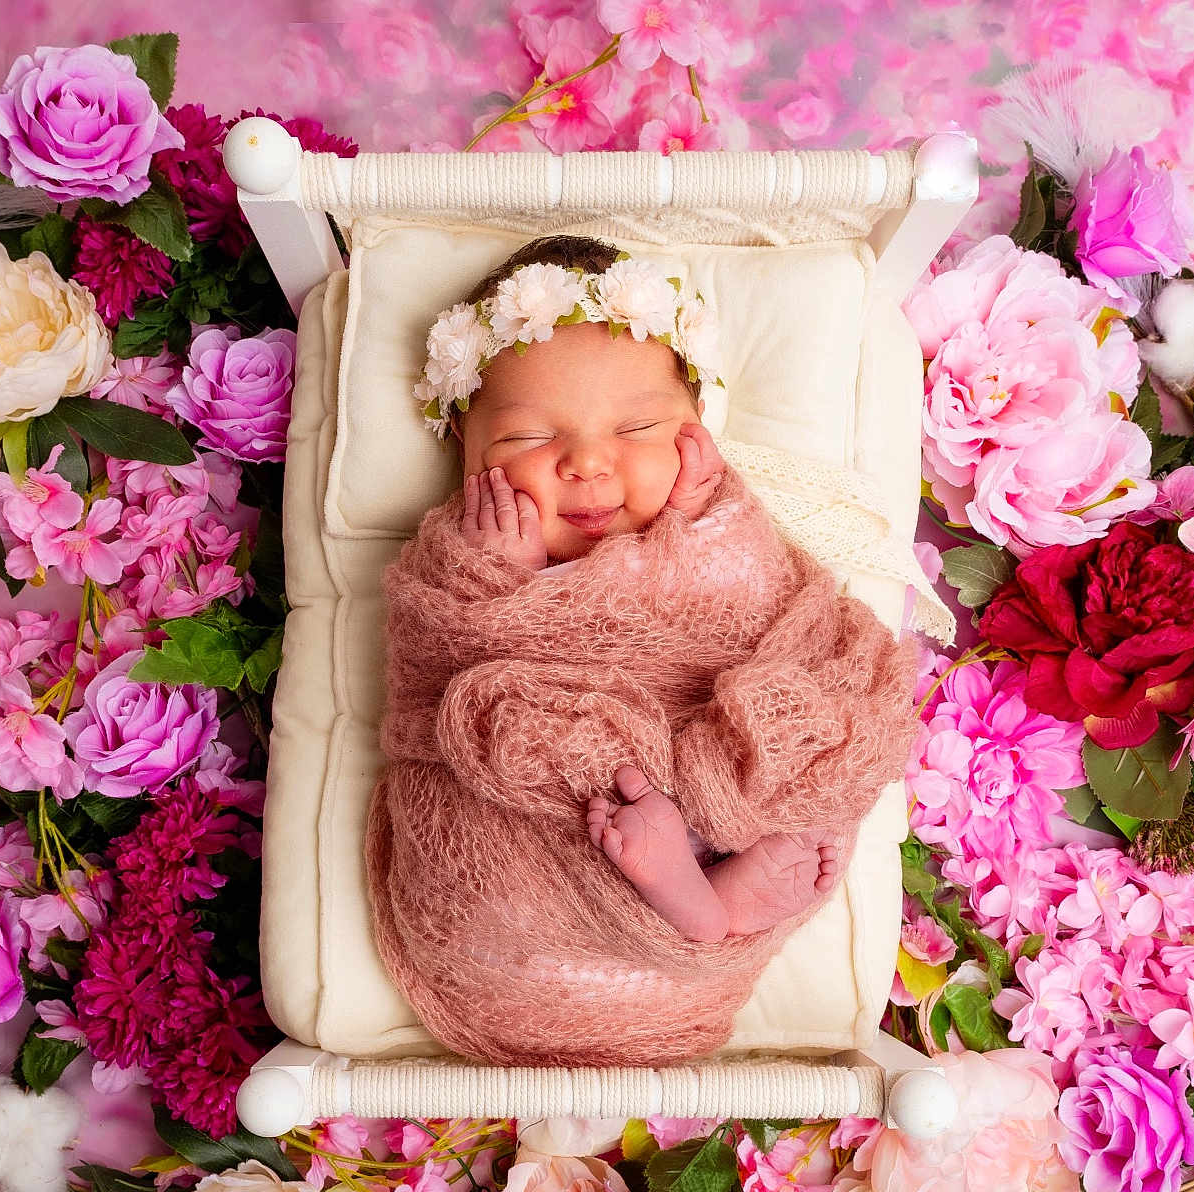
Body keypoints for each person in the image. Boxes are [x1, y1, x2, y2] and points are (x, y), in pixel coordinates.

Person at [365, 235, 915, 1066]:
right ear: (468, 460)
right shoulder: (460, 562)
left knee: (822, 725)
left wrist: (711, 525)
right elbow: (432, 669)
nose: (586, 462)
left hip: (713, 798)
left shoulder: (719, 532)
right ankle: (699, 902)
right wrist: (493, 586)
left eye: (638, 427)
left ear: (694, 437)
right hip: (536, 880)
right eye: (524, 442)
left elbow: (761, 614)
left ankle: (708, 894)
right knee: (492, 813)